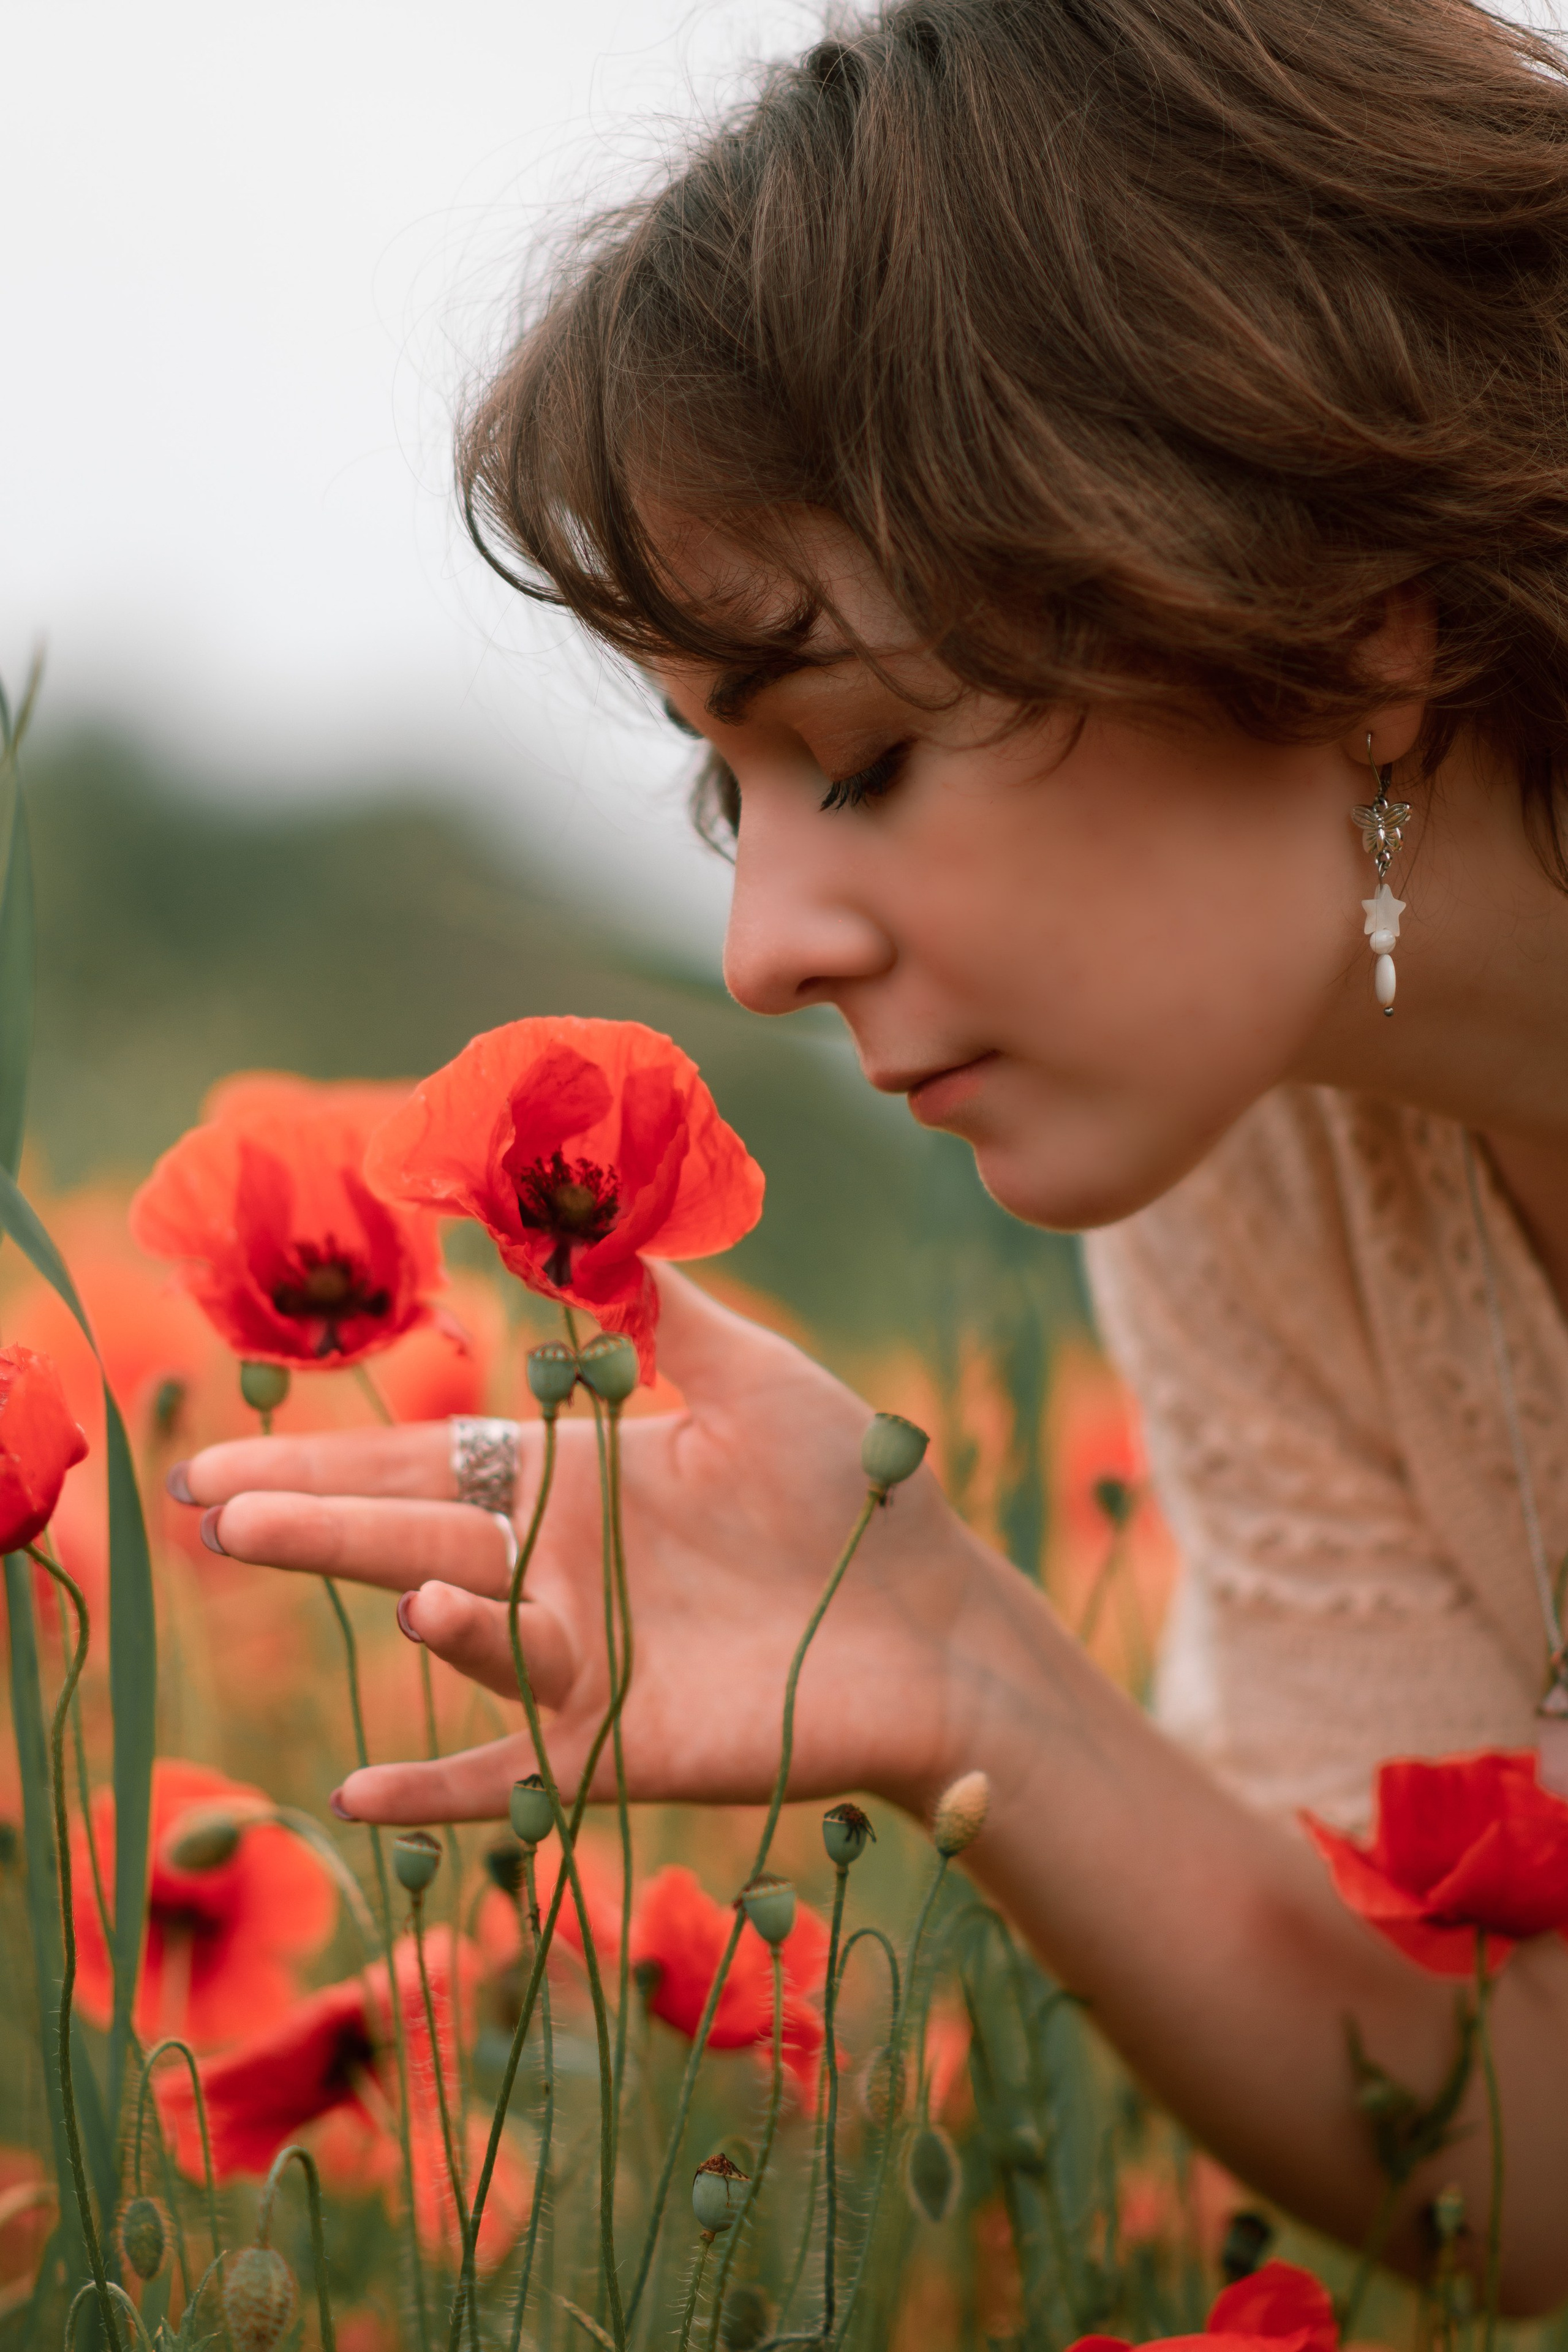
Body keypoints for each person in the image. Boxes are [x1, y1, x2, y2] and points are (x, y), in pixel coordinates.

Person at [171, 0, 1568, 2307]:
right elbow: (1516, 2152)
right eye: (730, 792)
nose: (763, 953)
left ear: (1353, 626)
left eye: (863, 752)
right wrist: (955, 1658)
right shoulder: (1270, 1169)